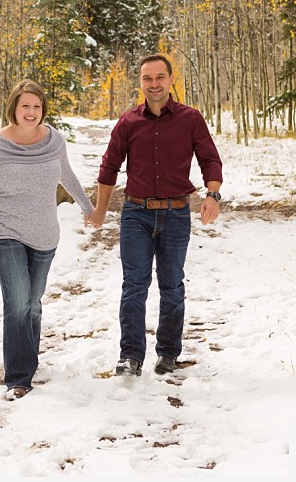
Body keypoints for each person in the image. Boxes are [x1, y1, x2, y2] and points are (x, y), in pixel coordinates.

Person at [0, 79, 97, 400]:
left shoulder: (54, 141)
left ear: (42, 109)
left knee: (32, 305)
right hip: (2, 230)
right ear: (14, 109)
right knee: (18, 300)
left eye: (36, 106)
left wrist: (88, 208)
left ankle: (28, 359)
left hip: (45, 234)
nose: (31, 112)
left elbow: (68, 175)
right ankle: (19, 378)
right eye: (25, 106)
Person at [88, 55, 223, 377]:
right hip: (136, 213)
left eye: (159, 77)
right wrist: (100, 210)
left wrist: (212, 194)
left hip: (177, 213)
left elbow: (209, 160)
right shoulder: (128, 121)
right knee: (134, 284)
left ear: (171, 79)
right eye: (147, 78)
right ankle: (130, 355)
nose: (154, 84)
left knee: (172, 285)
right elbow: (108, 167)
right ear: (140, 82)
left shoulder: (191, 119)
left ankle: (168, 353)